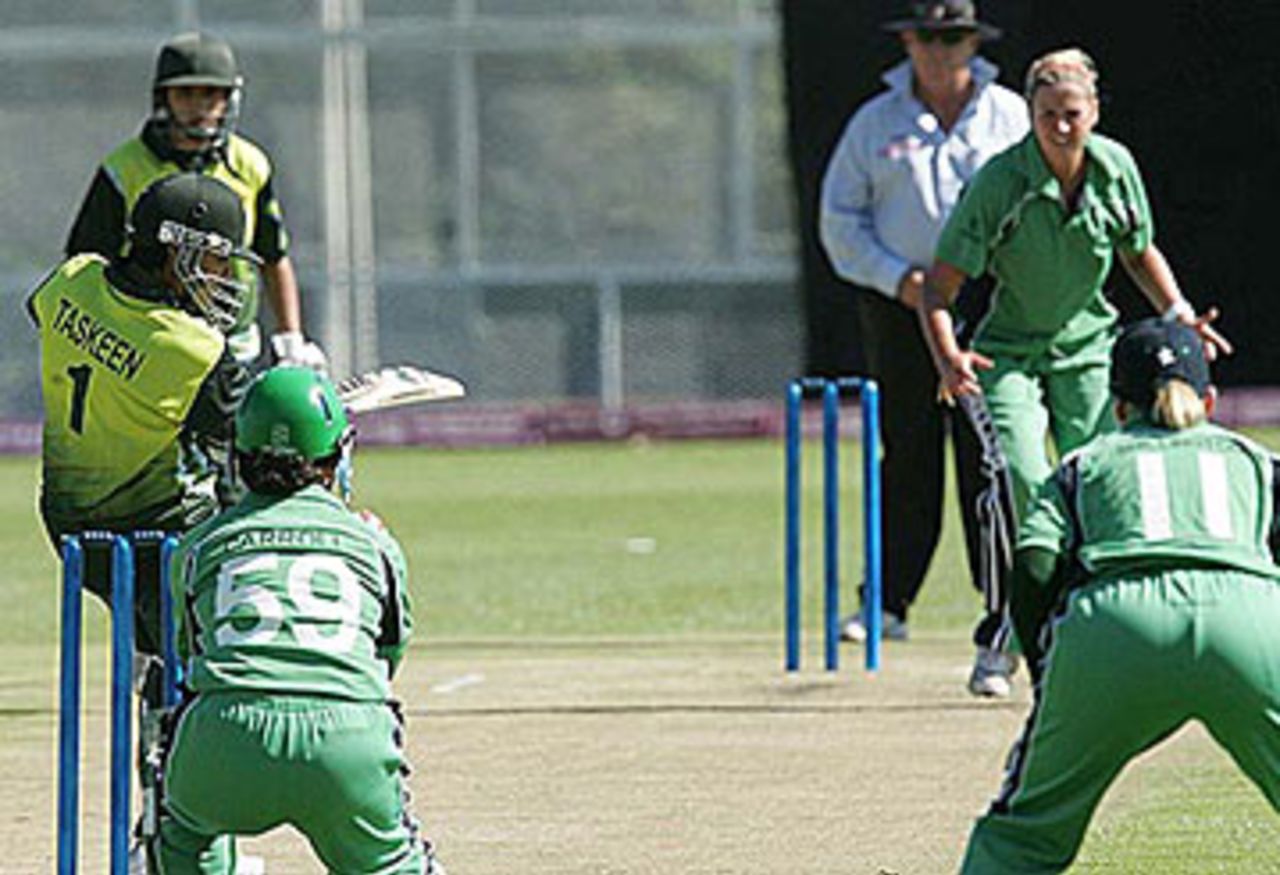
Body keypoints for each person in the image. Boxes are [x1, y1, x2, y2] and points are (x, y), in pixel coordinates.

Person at [959, 317, 1280, 872]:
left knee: (1025, 832)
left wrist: (1045, 668)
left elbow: (1034, 565)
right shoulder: (1257, 461)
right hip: (1250, 620)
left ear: (1120, 408)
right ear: (1208, 400)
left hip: (1114, 629)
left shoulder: (1084, 463)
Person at [918, 47, 1232, 529]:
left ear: (1094, 112)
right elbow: (937, 290)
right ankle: (1041, 576)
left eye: (1072, 114)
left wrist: (1178, 313)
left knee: (1098, 472)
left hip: (1088, 347)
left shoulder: (1115, 168)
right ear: (1030, 114)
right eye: (1048, 115)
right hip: (1008, 354)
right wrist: (948, 358)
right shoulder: (999, 183)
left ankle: (1090, 574)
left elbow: (1138, 251)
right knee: (1026, 477)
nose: (1061, 127)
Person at [156, 367, 444, 874]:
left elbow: (191, 654)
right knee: (395, 864)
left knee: (183, 835)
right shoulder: (374, 544)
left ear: (240, 456)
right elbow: (386, 656)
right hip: (347, 743)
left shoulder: (198, 546)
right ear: (339, 454)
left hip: (224, 741)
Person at [819, 0, 1029, 695]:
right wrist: (899, 280)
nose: (941, 51)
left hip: (988, 301)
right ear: (908, 41)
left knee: (986, 455)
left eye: (954, 37)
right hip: (901, 302)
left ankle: (1002, 607)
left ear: (975, 42)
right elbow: (839, 220)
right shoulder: (875, 122)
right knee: (907, 451)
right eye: (930, 37)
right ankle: (886, 603)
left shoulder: (1007, 115)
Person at [65, 30, 325, 371]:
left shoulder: (250, 165)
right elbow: (84, 265)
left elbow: (273, 256)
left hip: (233, 346)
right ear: (164, 98)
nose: (199, 107)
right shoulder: (123, 169)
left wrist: (291, 338)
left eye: (210, 94)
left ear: (229, 99)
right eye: (185, 93)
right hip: (150, 344)